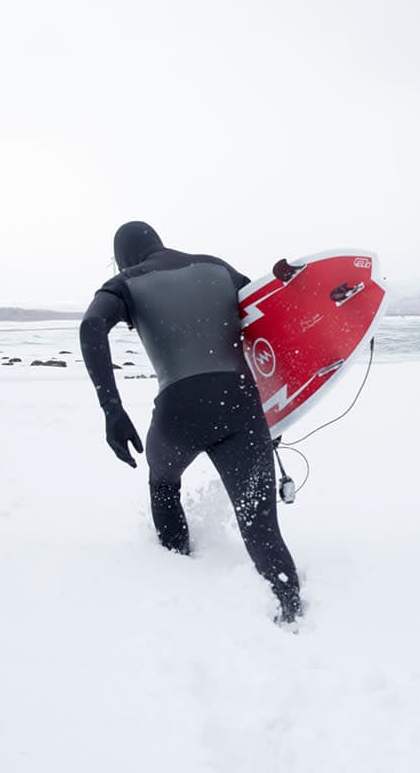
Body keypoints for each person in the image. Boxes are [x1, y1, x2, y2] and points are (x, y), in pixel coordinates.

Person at [79, 221, 302, 623]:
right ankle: (291, 617)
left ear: (123, 255)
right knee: (261, 527)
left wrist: (112, 410)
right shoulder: (218, 268)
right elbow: (270, 315)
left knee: (163, 482)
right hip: (240, 407)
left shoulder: (123, 282)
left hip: (177, 413)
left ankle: (176, 572)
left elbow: (91, 325)